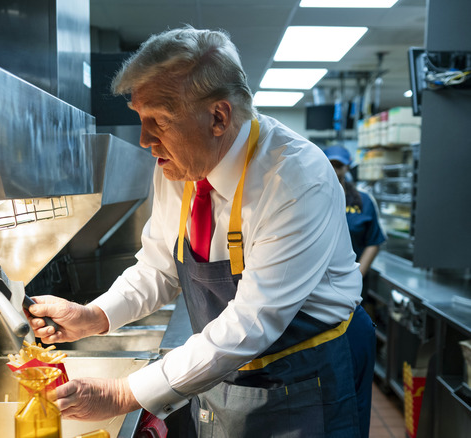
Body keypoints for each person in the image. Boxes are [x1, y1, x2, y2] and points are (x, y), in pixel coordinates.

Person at [27, 26, 375, 437]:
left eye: (159, 121)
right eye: (141, 119)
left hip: (307, 373)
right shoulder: (181, 164)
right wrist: (95, 316)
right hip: (226, 366)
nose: (144, 139)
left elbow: (253, 321)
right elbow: (158, 267)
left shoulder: (295, 177)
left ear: (218, 117)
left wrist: (126, 392)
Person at [323, 145, 386, 277]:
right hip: (318, 280)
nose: (334, 170)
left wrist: (356, 278)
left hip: (353, 277)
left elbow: (373, 242)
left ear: (347, 167)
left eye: (338, 166)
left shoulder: (364, 201)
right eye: (330, 165)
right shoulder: (314, 199)